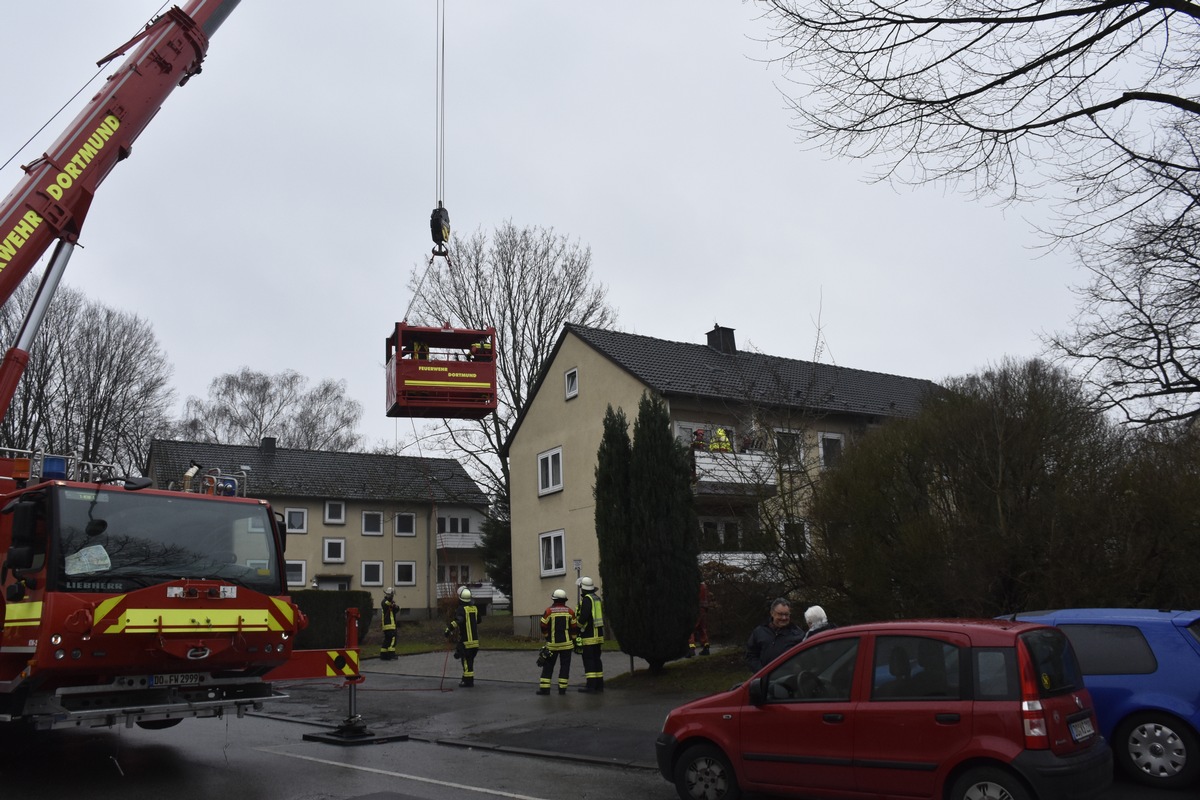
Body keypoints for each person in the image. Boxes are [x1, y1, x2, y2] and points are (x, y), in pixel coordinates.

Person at [745, 597, 804, 672]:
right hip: (764, 680)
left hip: (788, 680)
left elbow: (804, 658)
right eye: (780, 614)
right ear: (772, 613)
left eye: (787, 614)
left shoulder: (797, 634)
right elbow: (751, 656)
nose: (784, 618)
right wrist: (762, 672)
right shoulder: (759, 632)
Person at [537, 588, 579, 695]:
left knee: (548, 667)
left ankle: (545, 690)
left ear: (554, 600)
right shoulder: (570, 611)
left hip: (552, 645)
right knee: (565, 667)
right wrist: (574, 640)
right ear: (565, 600)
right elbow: (574, 628)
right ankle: (562, 690)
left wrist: (547, 636)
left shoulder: (549, 611)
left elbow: (543, 625)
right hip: (567, 645)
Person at [444, 586, 481, 687]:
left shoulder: (461, 609)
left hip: (466, 641)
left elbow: (458, 621)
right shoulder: (474, 608)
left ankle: (467, 681)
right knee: (470, 661)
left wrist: (448, 629)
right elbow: (478, 620)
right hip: (475, 641)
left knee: (465, 660)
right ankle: (468, 679)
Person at [575, 576, 605, 693]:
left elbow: (584, 616)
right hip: (598, 635)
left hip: (589, 635)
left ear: (583, 588)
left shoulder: (587, 599)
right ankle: (599, 685)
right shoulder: (596, 598)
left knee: (589, 660)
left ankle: (591, 686)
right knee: (597, 659)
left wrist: (577, 627)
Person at [686, 581, 713, 658]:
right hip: (703, 608)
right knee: (702, 629)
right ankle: (706, 647)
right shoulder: (704, 585)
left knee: (691, 628)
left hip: (696, 608)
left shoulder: (695, 583)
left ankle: (691, 648)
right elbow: (707, 597)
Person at [380, 587, 399, 660]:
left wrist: (395, 606)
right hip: (390, 625)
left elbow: (397, 609)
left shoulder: (390, 603)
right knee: (393, 639)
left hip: (388, 625)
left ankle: (383, 655)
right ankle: (391, 655)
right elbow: (387, 603)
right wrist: (391, 599)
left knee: (387, 640)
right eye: (391, 595)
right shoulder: (385, 602)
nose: (392, 596)